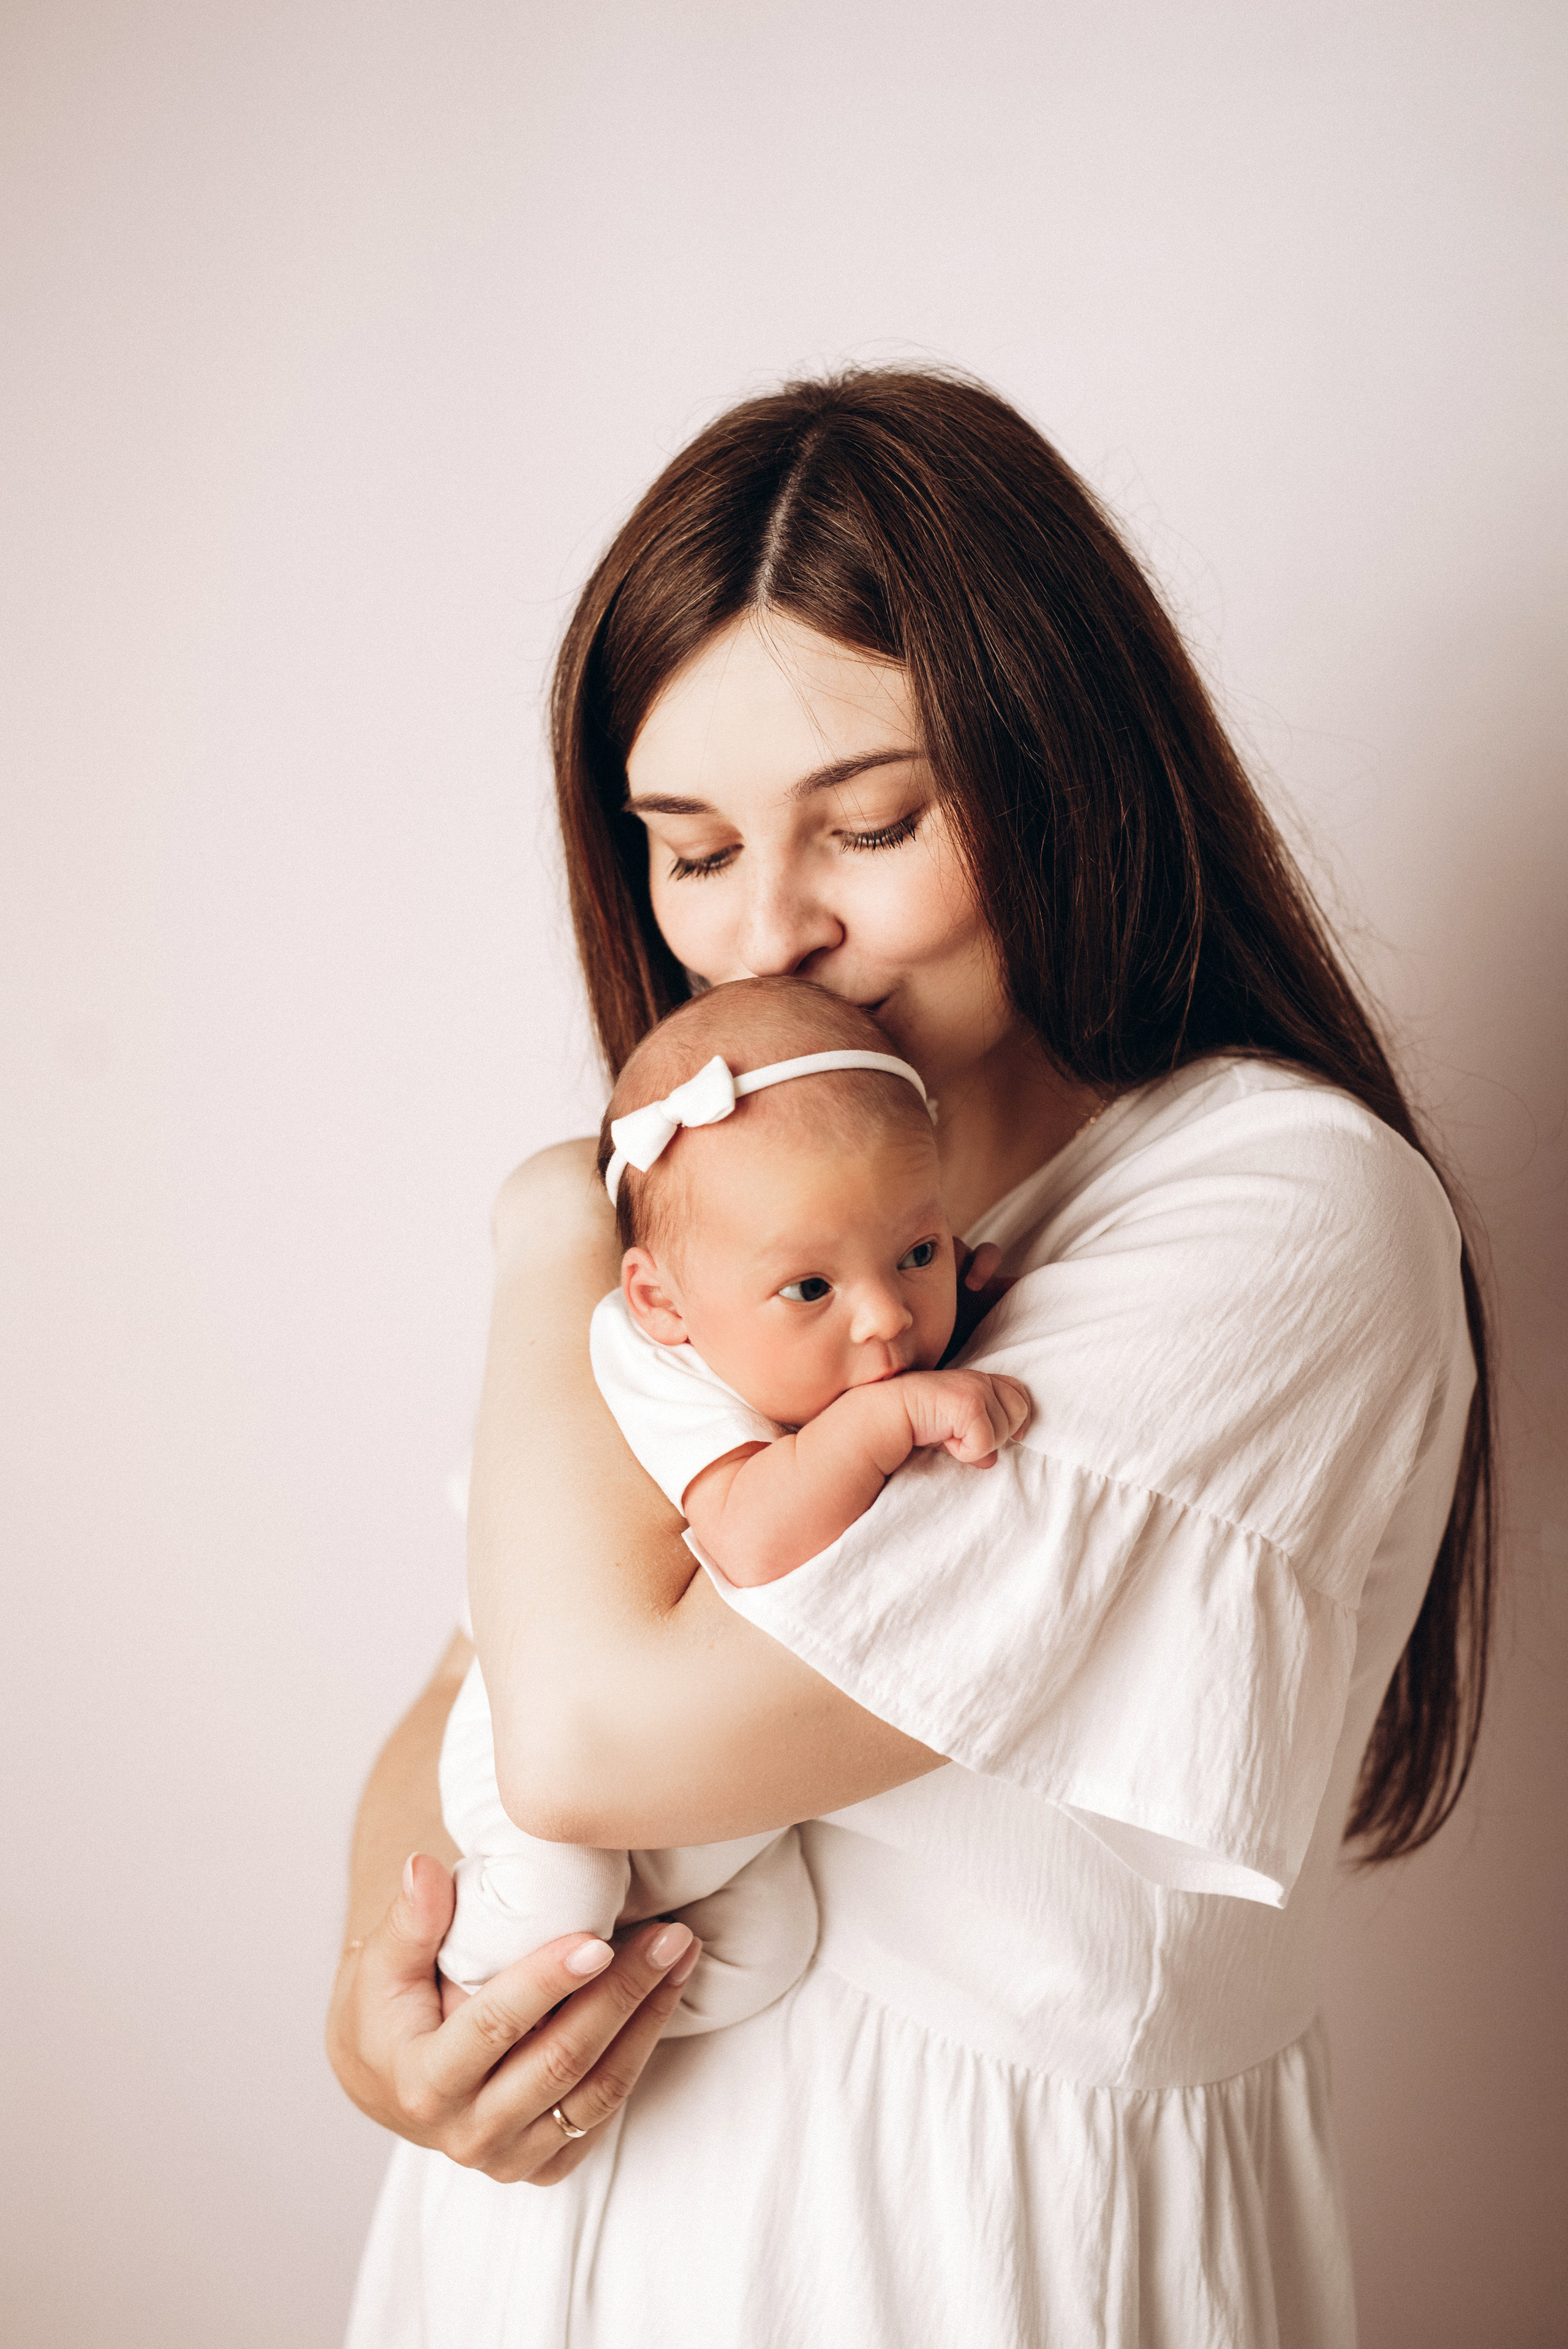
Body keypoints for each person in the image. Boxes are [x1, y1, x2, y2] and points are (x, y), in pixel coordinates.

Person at [328, 368, 1494, 2348]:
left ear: (1065, 770)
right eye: (687, 847)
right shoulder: (732, 1242)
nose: (769, 927)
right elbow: (479, 1674)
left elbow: (599, 1737)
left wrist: (547, 1228)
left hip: (952, 2275)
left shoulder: (1277, 1209)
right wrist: (385, 1996)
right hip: (534, 2264)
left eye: (870, 820)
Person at [434, 978, 1028, 2015]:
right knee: (560, 1892)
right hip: (544, 1780)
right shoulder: (651, 1363)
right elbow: (750, 1534)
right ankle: (472, 1988)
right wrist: (882, 1422)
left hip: (713, 1814)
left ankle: (608, 2033)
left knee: (771, 1941)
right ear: (665, 1301)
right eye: (812, 1288)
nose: (887, 1319)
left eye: (918, 1252)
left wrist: (966, 1309)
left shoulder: (818, 1340)